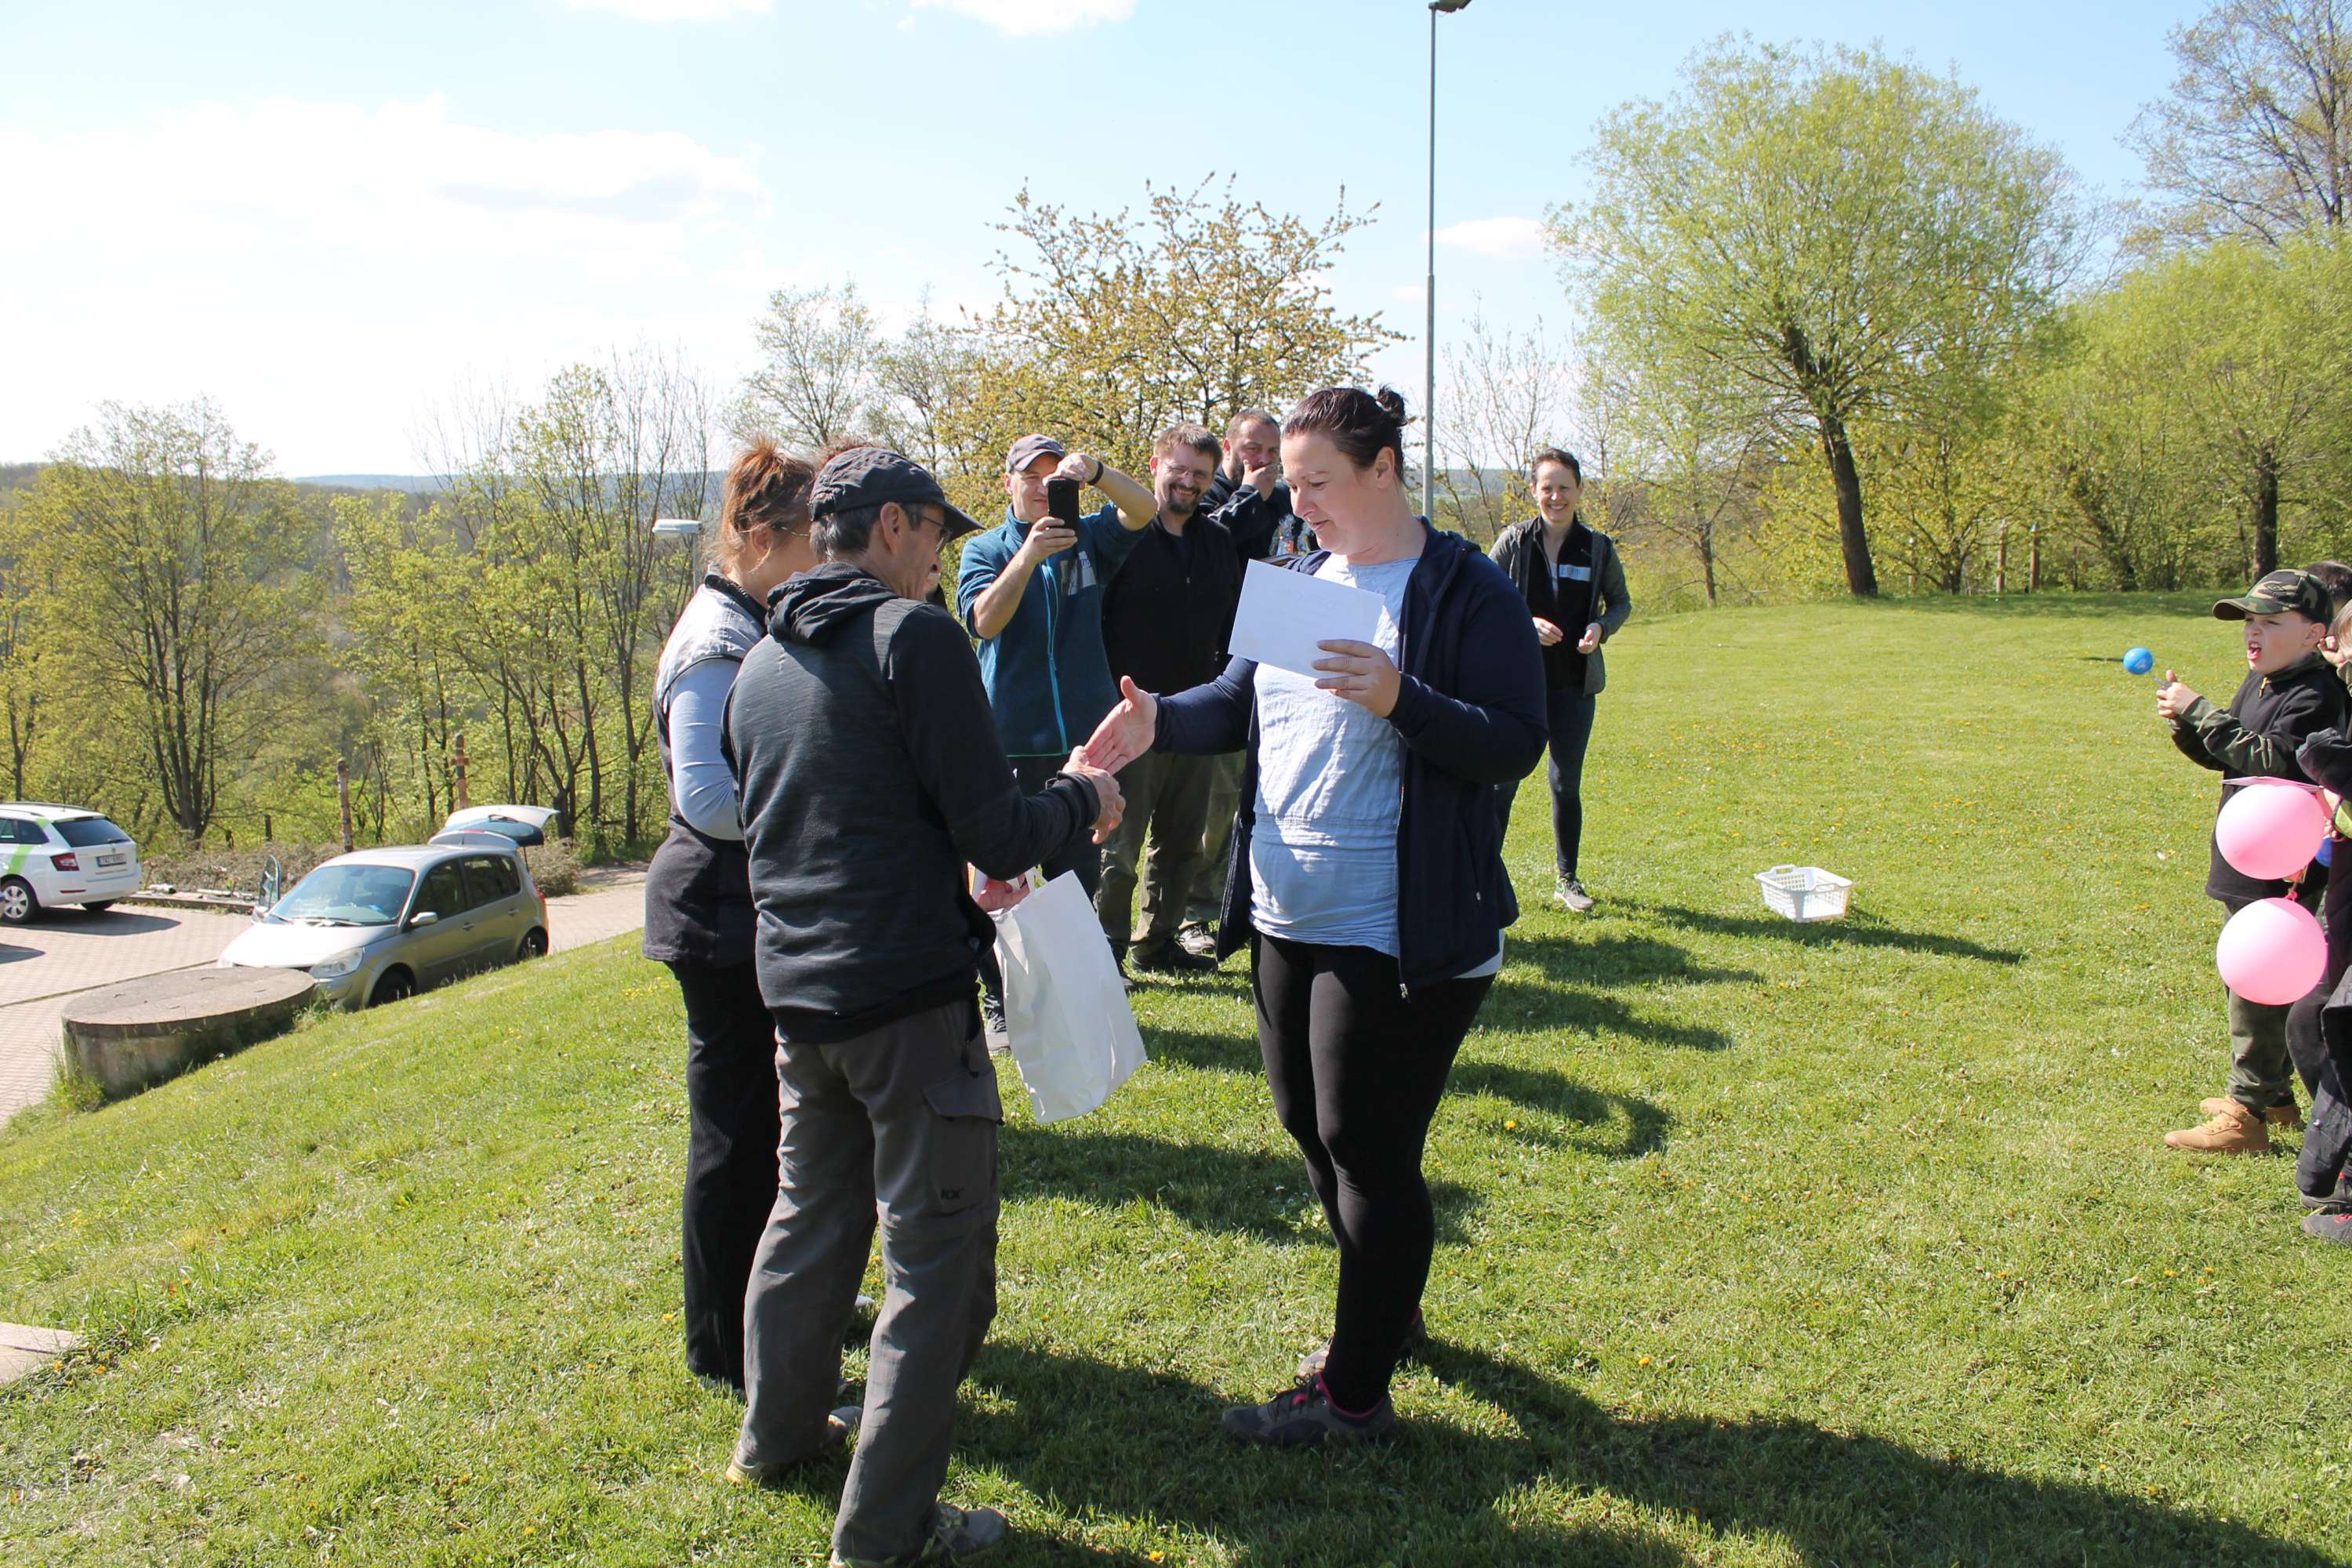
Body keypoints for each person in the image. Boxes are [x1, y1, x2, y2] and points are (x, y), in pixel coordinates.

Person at [1083, 386, 1546, 1446]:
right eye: (1290, 484)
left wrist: (1400, 697)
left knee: (1363, 1143)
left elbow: (1515, 740)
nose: (1299, 503)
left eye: (1318, 483)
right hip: (1285, 911)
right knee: (1306, 1122)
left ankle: (1353, 1396)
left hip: (1398, 924)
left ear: (1384, 468)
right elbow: (1236, 701)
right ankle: (1387, 1303)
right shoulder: (1295, 577)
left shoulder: (1462, 587)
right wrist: (1158, 719)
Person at [721, 446, 1123, 1564]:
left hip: (800, 999)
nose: (942, 555)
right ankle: (887, 1534)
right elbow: (994, 829)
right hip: (906, 1003)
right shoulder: (916, 637)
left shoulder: (760, 662)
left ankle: (777, 1438)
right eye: (936, 533)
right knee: (936, 1271)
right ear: (891, 524)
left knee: (808, 1221)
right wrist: (1082, 797)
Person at [642, 440, 816, 1396]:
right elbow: (706, 795)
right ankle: (722, 1340)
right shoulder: (715, 639)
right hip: (715, 911)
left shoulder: (751, 618)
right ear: (758, 538)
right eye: (808, 542)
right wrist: (816, 806)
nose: (821, 561)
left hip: (744, 903)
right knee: (735, 1137)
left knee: (765, 1129)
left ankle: (767, 1303)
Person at [958, 434, 1155, 1021]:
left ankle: (1072, 996)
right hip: (1009, 742)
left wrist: (1097, 471)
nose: (1044, 488)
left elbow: (1144, 509)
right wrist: (1028, 557)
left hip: (1080, 748)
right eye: (1031, 476)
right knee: (1000, 881)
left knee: (1076, 878)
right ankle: (1001, 999)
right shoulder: (984, 548)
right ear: (1008, 482)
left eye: (1055, 478)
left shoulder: (1089, 536)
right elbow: (983, 622)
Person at [2158, 568, 2347, 1155]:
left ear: (2314, 634)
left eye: (2270, 622)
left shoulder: (2316, 693)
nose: (2253, 633)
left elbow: (2275, 759)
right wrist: (2187, 727)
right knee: (2248, 975)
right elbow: (2234, 757)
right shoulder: (2263, 680)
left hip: (2285, 860)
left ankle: (2247, 1113)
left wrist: (2202, 711)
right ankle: (2275, 1096)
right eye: (2249, 622)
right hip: (2249, 853)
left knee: (2259, 979)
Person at [1094, 423, 1241, 974]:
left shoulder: (1218, 543)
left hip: (1194, 717)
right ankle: (1105, 951)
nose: (1189, 481)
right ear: (1155, 467)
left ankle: (1156, 944)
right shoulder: (1123, 538)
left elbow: (1232, 626)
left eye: (1200, 474)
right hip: (1128, 717)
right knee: (1119, 847)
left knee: (1183, 845)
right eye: (1178, 468)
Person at [1181, 410, 1316, 960]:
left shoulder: (1287, 500)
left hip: (1287, 661)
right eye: (1252, 449)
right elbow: (1205, 543)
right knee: (1217, 805)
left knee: (1273, 792)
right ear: (1230, 447)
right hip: (1225, 669)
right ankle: (1195, 913)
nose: (1262, 461)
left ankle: (1254, 900)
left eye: (1271, 452)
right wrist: (1249, 496)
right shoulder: (1210, 495)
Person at [1487, 448, 1632, 915]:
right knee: (1502, 783)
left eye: (1564, 487)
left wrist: (1601, 628)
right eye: (1547, 487)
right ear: (1533, 491)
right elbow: (1482, 598)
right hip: (1517, 686)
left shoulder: (1598, 547)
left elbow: (1621, 603)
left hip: (1574, 686)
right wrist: (1525, 623)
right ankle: (1482, 875)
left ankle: (1568, 880)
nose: (1556, 497)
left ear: (1579, 491)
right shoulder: (1513, 541)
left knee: (1566, 784)